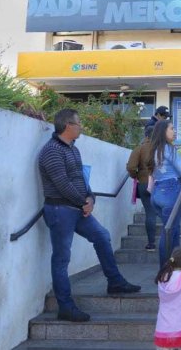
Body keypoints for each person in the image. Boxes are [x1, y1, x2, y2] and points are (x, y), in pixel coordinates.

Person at [39, 108, 141, 323]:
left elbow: (80, 178)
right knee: (61, 258)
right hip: (60, 210)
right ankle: (65, 306)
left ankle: (115, 282)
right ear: (67, 125)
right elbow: (62, 184)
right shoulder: (51, 151)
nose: (81, 127)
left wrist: (91, 198)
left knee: (102, 236)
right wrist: (82, 202)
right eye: (78, 123)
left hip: (78, 209)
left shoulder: (73, 149)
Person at [148, 120, 181, 267]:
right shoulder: (170, 149)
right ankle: (165, 271)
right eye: (172, 128)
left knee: (173, 229)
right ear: (163, 131)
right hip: (171, 191)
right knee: (169, 232)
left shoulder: (154, 149)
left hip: (157, 193)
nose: (174, 131)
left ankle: (175, 268)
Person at [126, 125, 157, 251]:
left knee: (150, 212)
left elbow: (131, 167)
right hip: (161, 184)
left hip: (144, 182)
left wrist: (136, 175)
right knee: (164, 211)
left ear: (146, 135)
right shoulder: (162, 148)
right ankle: (171, 241)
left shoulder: (139, 149)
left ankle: (151, 244)